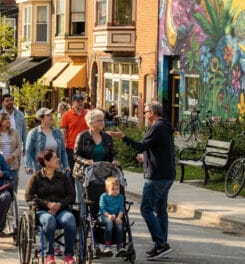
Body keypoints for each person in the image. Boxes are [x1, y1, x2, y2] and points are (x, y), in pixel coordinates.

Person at [108, 102, 175, 261]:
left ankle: (161, 244)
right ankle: (161, 244)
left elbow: (141, 145)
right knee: (160, 209)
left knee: (146, 209)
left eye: (145, 112)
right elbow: (158, 150)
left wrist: (123, 137)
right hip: (167, 175)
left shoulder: (157, 127)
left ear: (151, 112)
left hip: (157, 177)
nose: (143, 114)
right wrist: (145, 158)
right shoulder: (164, 127)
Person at [25, 149, 77, 264]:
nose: (58, 159)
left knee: (70, 219)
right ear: (46, 162)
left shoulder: (62, 176)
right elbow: (28, 196)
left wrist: (59, 204)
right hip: (42, 211)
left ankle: (68, 255)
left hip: (61, 209)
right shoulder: (36, 177)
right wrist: (47, 204)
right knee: (49, 220)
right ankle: (49, 255)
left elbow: (72, 195)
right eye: (54, 158)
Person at [73, 108, 119, 221]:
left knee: (100, 200)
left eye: (103, 120)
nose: (102, 123)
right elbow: (75, 155)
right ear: (91, 122)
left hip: (101, 174)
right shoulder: (82, 137)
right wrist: (86, 161)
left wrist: (114, 160)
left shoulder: (107, 137)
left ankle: (99, 224)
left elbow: (113, 153)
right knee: (84, 203)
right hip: (83, 174)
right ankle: (83, 225)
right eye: (99, 120)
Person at [25, 108, 69, 174]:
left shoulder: (58, 132)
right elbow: (28, 152)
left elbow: (63, 151)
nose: (51, 117)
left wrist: (66, 166)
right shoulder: (33, 133)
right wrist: (28, 166)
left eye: (51, 115)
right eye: (48, 115)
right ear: (41, 118)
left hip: (57, 169)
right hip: (40, 170)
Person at [0, 112, 22, 193]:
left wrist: (12, 156)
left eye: (8, 119)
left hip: (12, 164)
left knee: (12, 187)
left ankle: (13, 204)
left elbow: (19, 147)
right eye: (5, 119)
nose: (8, 121)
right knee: (0, 187)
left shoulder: (14, 132)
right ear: (0, 122)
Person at [60, 94, 89, 171]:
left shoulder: (88, 114)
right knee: (71, 171)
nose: (80, 103)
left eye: (82, 101)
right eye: (78, 101)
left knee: (85, 171)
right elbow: (63, 132)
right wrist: (62, 147)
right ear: (73, 103)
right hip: (71, 148)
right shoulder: (66, 115)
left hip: (86, 147)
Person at [99, 176, 125, 257]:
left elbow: (121, 209)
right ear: (107, 189)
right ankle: (107, 246)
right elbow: (102, 209)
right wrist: (109, 216)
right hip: (104, 215)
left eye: (117, 189)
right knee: (109, 223)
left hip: (116, 216)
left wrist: (119, 217)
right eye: (113, 189)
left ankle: (119, 246)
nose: (116, 191)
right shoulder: (103, 196)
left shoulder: (120, 197)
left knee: (119, 225)